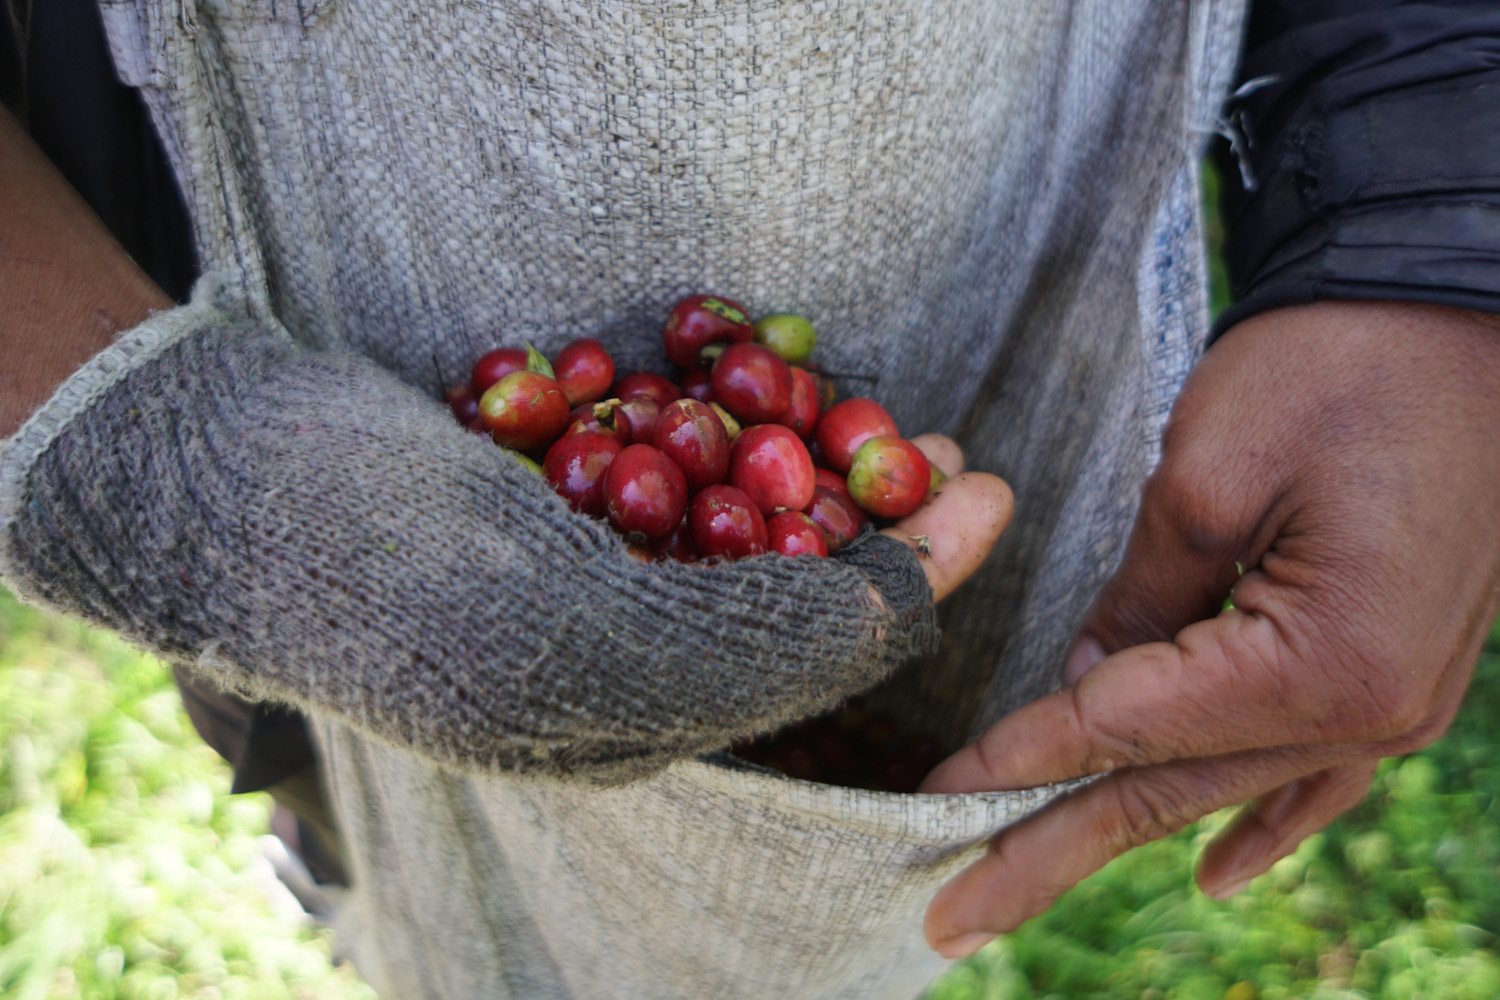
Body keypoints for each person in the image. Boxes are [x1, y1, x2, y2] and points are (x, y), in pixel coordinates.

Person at [1, 1, 1496, 997]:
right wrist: (153, 460)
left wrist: (1424, 221)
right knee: (428, 872)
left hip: (993, 244)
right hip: (300, 388)